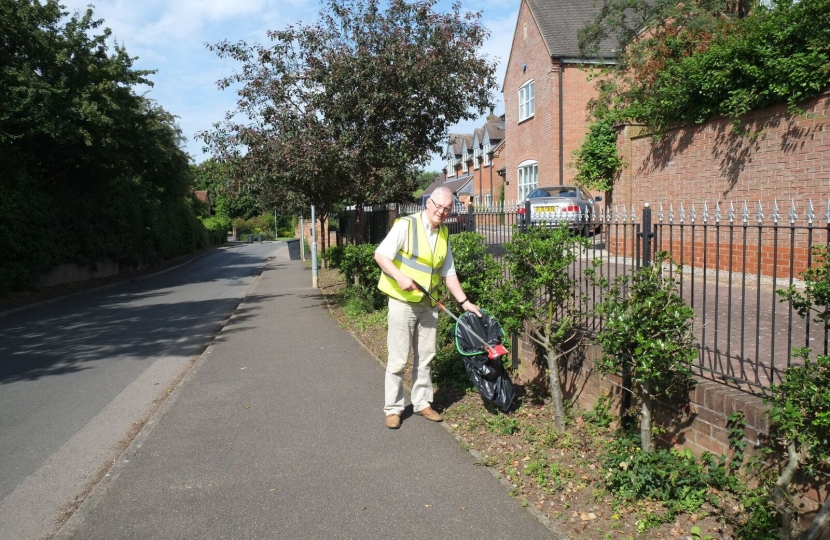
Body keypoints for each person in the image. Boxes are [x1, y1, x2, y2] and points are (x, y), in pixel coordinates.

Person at [374, 186, 481, 429]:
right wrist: (401, 278)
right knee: (399, 359)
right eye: (438, 206)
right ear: (428, 204)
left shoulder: (443, 233)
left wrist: (464, 302)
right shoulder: (406, 225)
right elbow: (381, 256)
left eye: (447, 209)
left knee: (426, 357)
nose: (442, 212)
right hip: (402, 302)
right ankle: (393, 408)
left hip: (429, 303)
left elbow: (449, 272)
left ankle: (422, 402)